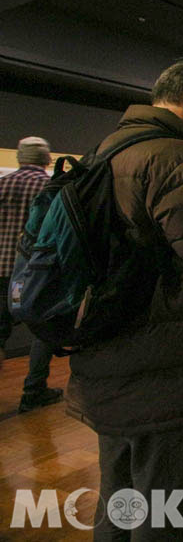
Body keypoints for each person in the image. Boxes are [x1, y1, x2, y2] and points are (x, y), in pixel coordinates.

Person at [65, 61, 183, 539]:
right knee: (171, 511)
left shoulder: (101, 153)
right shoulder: (179, 158)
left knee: (121, 499)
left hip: (109, 358)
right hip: (174, 371)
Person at [0, 136, 64, 412]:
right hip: (34, 273)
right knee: (43, 331)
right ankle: (34, 388)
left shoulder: (2, 184)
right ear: (47, 159)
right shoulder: (49, 187)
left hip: (1, 273)